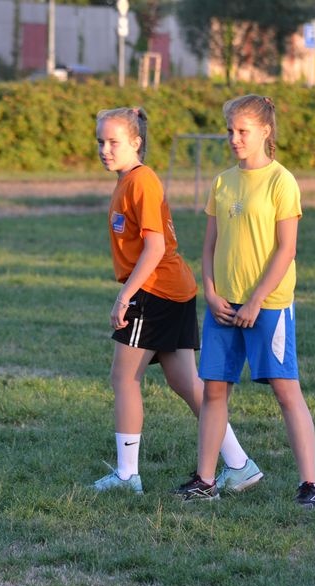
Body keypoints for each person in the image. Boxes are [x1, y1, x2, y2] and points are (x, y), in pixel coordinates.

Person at [90, 106, 263, 494]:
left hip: (155, 291)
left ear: (136, 142)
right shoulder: (128, 180)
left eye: (114, 142)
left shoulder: (141, 181)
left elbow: (154, 248)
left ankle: (127, 476)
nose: (105, 149)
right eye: (100, 141)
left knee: (124, 378)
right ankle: (240, 465)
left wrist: (124, 297)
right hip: (173, 290)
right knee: (185, 382)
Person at [173, 95, 315, 508]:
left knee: (285, 391)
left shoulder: (281, 181)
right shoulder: (223, 182)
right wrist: (210, 291)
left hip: (268, 305)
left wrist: (257, 300)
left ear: (265, 131)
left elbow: (287, 249)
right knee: (214, 391)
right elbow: (209, 246)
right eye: (230, 131)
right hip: (223, 305)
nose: (234, 138)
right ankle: (206, 480)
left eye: (243, 131)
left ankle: (310, 484)